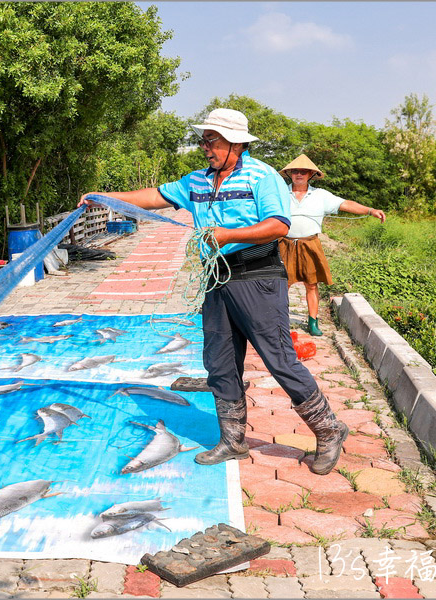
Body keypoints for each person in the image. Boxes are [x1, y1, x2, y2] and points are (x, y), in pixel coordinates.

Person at [79, 108, 348, 475]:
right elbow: (154, 196)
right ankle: (233, 440)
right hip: (217, 279)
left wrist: (228, 235)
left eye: (213, 140)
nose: (206, 147)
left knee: (279, 359)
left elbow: (278, 225)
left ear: (236, 143)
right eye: (204, 140)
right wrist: (106, 198)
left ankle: (329, 429)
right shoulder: (197, 181)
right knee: (220, 361)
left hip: (258, 276)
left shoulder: (262, 176)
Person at [278, 155, 386, 336]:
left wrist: (370, 210)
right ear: (289, 174)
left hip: (309, 244)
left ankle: (313, 322)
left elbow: (345, 204)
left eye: (303, 171)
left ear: (311, 174)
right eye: (295, 171)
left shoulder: (320, 195)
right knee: (282, 284)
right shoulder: (279, 192)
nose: (299, 174)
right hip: (284, 244)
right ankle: (279, 321)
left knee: (311, 285)